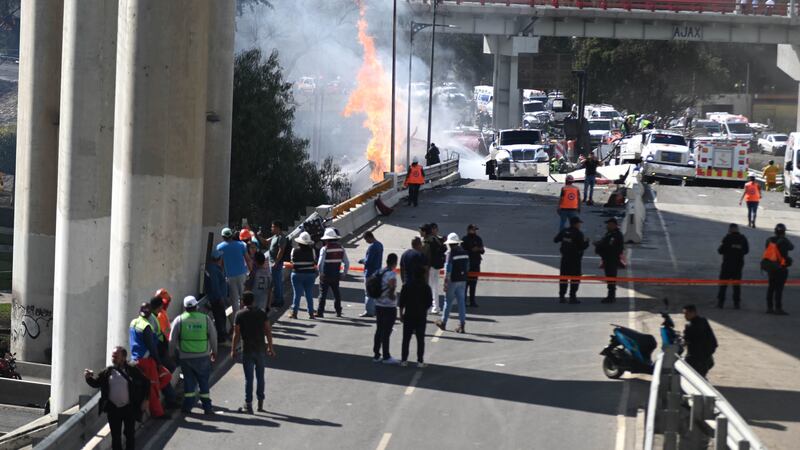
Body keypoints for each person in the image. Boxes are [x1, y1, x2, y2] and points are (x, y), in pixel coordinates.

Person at [84, 347, 149, 450]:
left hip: (129, 408)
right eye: (112, 356)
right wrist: (88, 378)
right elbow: (96, 383)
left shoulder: (132, 370)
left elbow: (146, 382)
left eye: (116, 356)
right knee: (115, 436)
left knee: (129, 435)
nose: (113, 358)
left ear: (123, 358)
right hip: (113, 409)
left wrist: (146, 400)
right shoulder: (107, 371)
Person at [169, 296, 218, 414]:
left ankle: (187, 407)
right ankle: (207, 407)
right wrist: (214, 351)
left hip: (185, 357)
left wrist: (171, 354)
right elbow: (213, 337)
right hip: (203, 356)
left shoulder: (179, 320)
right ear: (196, 306)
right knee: (203, 382)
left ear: (185, 307)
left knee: (189, 382)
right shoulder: (205, 319)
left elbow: (171, 340)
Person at [231, 291, 276, 414]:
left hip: (247, 350)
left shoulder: (239, 314)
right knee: (260, 377)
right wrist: (270, 347)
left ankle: (248, 404)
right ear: (253, 301)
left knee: (249, 378)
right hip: (260, 349)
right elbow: (268, 330)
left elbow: (236, 334)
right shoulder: (261, 313)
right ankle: (260, 403)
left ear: (243, 301)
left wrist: (233, 349)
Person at [128, 303, 164, 418]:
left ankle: (140, 412)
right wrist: (158, 362)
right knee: (153, 386)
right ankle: (157, 413)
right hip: (146, 360)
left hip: (135, 359)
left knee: (139, 387)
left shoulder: (133, 322)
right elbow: (151, 346)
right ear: (150, 314)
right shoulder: (146, 326)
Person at [436, 233, 470, 333]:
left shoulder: (450, 254)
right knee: (461, 302)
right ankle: (462, 324)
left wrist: (445, 283)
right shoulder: (465, 252)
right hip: (462, 280)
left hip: (453, 280)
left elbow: (448, 269)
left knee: (448, 301)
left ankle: (443, 322)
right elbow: (468, 266)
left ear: (450, 244)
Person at [399, 268, 433, 368]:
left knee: (406, 339)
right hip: (421, 315)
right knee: (420, 339)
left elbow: (401, 302)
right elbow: (429, 303)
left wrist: (401, 314)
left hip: (409, 314)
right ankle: (420, 361)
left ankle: (404, 360)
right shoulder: (426, 287)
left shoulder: (406, 286)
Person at [147, 296, 177, 409]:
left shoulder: (154, 316)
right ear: (159, 306)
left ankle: (171, 397)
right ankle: (170, 399)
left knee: (165, 373)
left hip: (159, 352)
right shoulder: (153, 318)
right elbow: (154, 338)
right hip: (157, 353)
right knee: (165, 373)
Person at [217, 227, 250, 320]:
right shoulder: (241, 245)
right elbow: (248, 259)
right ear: (231, 235)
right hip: (242, 274)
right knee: (244, 297)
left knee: (234, 300)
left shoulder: (220, 247)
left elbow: (220, 264)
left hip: (230, 276)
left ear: (223, 237)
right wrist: (251, 271)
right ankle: (246, 317)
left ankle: (237, 320)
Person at [554, 216, 589, 304]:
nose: (580, 225)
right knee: (575, 278)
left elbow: (556, 240)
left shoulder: (564, 231)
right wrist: (587, 242)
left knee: (563, 278)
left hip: (565, 258)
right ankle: (572, 297)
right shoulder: (578, 233)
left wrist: (565, 240)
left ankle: (562, 296)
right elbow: (582, 246)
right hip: (575, 259)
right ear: (575, 224)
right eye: (579, 223)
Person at [316, 228, 349, 318]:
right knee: (336, 293)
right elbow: (346, 263)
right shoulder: (341, 248)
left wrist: (321, 273)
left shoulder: (324, 249)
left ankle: (320, 312)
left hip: (326, 275)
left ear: (326, 239)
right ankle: (338, 311)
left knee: (323, 294)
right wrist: (344, 273)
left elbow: (320, 264)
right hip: (336, 275)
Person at [372, 254, 399, 364]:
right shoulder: (391, 274)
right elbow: (392, 289)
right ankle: (386, 356)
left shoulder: (380, 272)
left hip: (378, 304)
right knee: (387, 331)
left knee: (379, 329)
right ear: (395, 263)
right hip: (389, 306)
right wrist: (394, 298)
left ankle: (376, 354)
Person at [763, 223, 794, 315]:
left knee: (771, 288)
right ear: (784, 232)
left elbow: (767, 249)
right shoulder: (784, 241)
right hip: (781, 268)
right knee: (779, 289)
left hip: (771, 267)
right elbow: (791, 247)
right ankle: (778, 308)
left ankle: (769, 308)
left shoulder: (769, 240)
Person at [717, 224, 749, 309]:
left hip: (727, 265)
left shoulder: (727, 238)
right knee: (736, 285)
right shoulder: (743, 238)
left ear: (730, 230)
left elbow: (720, 251)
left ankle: (720, 302)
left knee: (723, 284)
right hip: (738, 265)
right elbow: (746, 251)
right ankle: (736, 303)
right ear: (737, 229)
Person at [682, 305, 718, 378]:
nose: (685, 316)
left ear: (693, 313)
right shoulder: (703, 321)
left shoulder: (690, 326)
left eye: (686, 314)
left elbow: (687, 340)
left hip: (696, 358)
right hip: (706, 356)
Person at [594, 218, 624, 303]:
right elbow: (605, 242)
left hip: (611, 259)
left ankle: (611, 296)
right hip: (607, 259)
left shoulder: (615, 235)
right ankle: (610, 296)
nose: (607, 226)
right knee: (609, 278)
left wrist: (599, 246)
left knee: (611, 278)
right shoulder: (609, 233)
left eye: (609, 224)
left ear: (613, 225)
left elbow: (609, 246)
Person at [290, 231, 317, 319]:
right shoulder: (312, 250)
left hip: (297, 274)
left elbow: (292, 262)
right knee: (309, 293)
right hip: (310, 274)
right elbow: (314, 261)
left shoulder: (294, 250)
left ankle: (294, 313)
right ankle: (311, 313)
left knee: (297, 294)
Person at [205, 250, 229, 342]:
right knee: (220, 318)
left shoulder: (214, 268)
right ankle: (221, 338)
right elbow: (215, 285)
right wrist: (219, 298)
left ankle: (222, 336)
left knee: (221, 317)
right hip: (217, 299)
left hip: (218, 298)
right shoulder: (214, 270)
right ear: (219, 259)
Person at [359, 231, 384, 317]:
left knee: (368, 293)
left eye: (366, 239)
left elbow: (368, 261)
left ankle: (369, 311)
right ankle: (376, 310)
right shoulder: (380, 245)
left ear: (369, 237)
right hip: (377, 272)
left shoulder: (372, 247)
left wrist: (362, 261)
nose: (366, 241)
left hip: (369, 272)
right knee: (376, 293)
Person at [461, 224, 484, 307]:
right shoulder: (464, 239)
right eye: (473, 230)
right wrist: (471, 250)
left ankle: (472, 301)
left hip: (476, 263)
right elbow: (462, 251)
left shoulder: (478, 239)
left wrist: (478, 249)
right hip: (467, 263)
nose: (474, 231)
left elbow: (482, 250)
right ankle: (463, 301)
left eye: (475, 230)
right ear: (468, 230)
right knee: (465, 284)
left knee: (473, 283)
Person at [268, 221, 289, 308]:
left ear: (278, 228)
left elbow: (281, 250)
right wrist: (258, 236)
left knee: (277, 283)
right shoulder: (275, 236)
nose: (271, 228)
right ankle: (279, 300)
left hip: (276, 264)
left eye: (273, 227)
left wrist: (276, 262)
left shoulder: (281, 237)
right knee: (276, 283)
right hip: (273, 263)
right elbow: (266, 242)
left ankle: (279, 301)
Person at [428, 223, 445, 312]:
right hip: (434, 265)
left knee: (433, 286)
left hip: (434, 265)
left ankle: (433, 306)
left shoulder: (435, 239)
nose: (436, 230)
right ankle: (434, 306)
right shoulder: (434, 239)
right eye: (435, 229)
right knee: (433, 286)